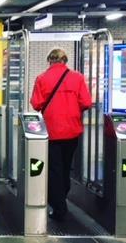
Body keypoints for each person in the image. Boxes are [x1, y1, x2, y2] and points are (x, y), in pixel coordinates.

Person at [30, 48, 92, 221]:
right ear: (65, 60)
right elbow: (86, 102)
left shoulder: (42, 78)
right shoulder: (77, 78)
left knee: (54, 169)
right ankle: (62, 197)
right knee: (66, 167)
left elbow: (36, 104)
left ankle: (59, 206)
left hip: (52, 131)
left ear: (49, 60)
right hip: (72, 130)